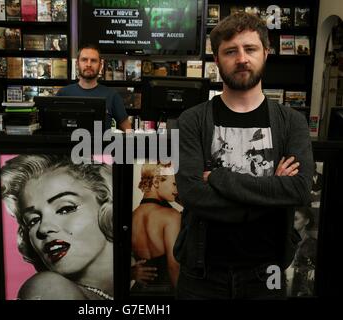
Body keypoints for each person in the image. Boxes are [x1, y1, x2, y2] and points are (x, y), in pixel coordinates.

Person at [174, 12, 314, 299]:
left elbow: (299, 188)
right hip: (201, 273)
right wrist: (271, 194)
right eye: (230, 51)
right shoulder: (192, 120)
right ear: (217, 60)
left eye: (250, 48)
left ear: (266, 52)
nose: (241, 58)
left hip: (268, 272)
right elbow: (191, 193)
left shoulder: (291, 122)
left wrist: (219, 178)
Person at [0, 154, 114, 300]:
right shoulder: (49, 288)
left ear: (107, 205)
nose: (43, 228)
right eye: (33, 220)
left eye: (65, 209)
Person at [131, 163, 181, 295]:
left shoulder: (131, 216)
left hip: (137, 292)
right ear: (156, 182)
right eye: (175, 184)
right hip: (166, 291)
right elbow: (174, 266)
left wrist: (131, 272)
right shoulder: (171, 216)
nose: (178, 190)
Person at [56, 44, 131, 131]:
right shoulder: (63, 94)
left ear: (100, 65)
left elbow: (128, 130)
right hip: (69, 144)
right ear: (77, 64)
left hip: (102, 144)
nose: (89, 64)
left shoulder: (112, 95)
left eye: (93, 61)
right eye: (84, 60)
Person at [289, 207, 317, 297]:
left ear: (306, 221)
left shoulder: (313, 245)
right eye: (290, 219)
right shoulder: (287, 242)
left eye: (295, 219)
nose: (291, 222)